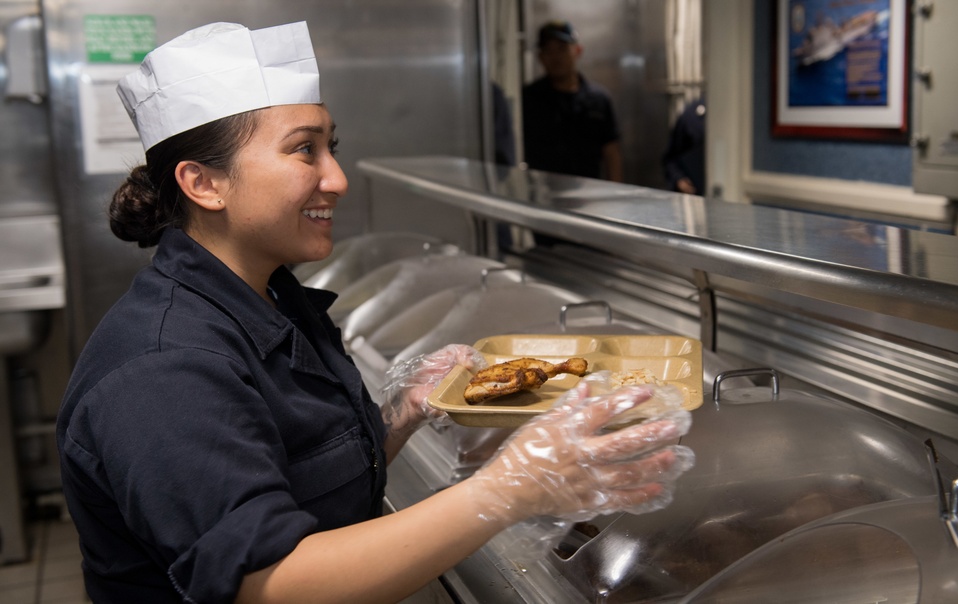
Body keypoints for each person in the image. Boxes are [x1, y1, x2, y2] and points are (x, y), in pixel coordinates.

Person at [55, 21, 693, 603]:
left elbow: (303, 482)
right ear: (204, 183)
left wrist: (401, 415)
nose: (336, 178)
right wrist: (511, 488)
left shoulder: (272, 295)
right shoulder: (164, 369)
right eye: (304, 151)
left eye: (330, 147)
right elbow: (271, 584)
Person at [521, 20, 623, 183]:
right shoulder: (529, 98)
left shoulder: (599, 99)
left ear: (577, 51)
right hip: (543, 194)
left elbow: (611, 152)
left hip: (590, 193)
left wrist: (616, 192)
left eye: (562, 49)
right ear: (540, 57)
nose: (555, 57)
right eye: (548, 50)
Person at [661, 97, 706, 196]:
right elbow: (671, 158)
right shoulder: (693, 116)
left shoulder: (742, 113)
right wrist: (679, 178)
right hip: (694, 196)